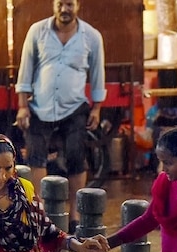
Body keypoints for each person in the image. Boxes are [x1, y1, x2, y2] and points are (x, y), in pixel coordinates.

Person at [15, 0, 106, 231]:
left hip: (74, 106)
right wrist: (23, 106)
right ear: (53, 5)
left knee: (76, 154)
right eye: (60, 4)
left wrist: (96, 108)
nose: (64, 9)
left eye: (69, 4)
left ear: (78, 5)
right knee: (35, 155)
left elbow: (97, 75)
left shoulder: (91, 37)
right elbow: (25, 70)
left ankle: (74, 214)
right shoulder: (37, 31)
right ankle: (40, 212)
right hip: (40, 106)